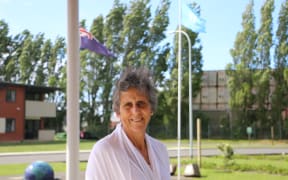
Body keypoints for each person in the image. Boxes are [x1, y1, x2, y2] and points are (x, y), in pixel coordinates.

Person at [85, 66, 170, 180]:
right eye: (128, 105)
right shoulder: (103, 151)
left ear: (151, 109)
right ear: (118, 112)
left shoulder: (161, 150)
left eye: (141, 103)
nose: (135, 111)